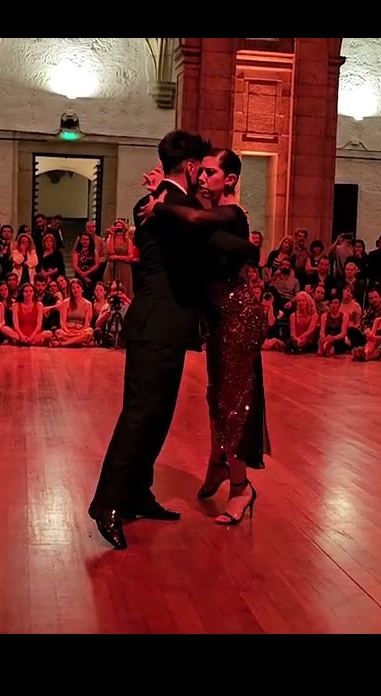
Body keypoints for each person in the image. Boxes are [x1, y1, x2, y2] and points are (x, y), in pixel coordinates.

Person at [87, 131, 256, 550]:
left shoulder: (159, 204)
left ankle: (137, 494)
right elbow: (221, 245)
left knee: (155, 415)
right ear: (193, 167)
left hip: (161, 324)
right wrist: (249, 245)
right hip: (159, 324)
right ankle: (106, 502)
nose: (203, 177)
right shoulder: (171, 207)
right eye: (202, 168)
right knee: (141, 415)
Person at [145, 148, 265, 525]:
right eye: (202, 171)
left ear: (229, 179)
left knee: (233, 399)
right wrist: (159, 192)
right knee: (217, 394)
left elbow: (194, 218)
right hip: (218, 315)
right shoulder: (216, 215)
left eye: (210, 172)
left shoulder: (231, 214)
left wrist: (159, 207)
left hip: (238, 314)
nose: (202, 177)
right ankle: (218, 462)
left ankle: (242, 489)